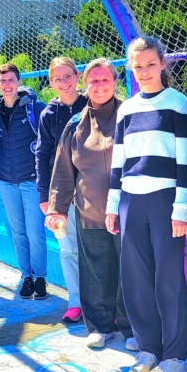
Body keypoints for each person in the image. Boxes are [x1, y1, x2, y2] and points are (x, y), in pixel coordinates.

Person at [105, 35, 187, 372]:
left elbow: (186, 160)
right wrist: (113, 206)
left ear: (163, 65)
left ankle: (174, 357)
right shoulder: (126, 109)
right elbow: (118, 162)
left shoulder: (178, 104)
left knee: (168, 279)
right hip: (130, 201)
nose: (143, 72)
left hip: (165, 200)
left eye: (150, 65)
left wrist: (181, 207)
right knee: (135, 279)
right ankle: (149, 349)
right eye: (137, 66)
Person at [47, 59, 135, 350]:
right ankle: (99, 326)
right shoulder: (75, 125)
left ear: (115, 81)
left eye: (105, 80)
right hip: (89, 213)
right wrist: (57, 208)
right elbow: (63, 171)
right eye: (93, 81)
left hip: (128, 215)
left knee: (129, 273)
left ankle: (131, 328)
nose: (99, 86)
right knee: (96, 273)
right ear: (85, 85)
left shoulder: (131, 115)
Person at [36, 56, 88, 322]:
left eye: (68, 76)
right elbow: (42, 155)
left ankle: (102, 303)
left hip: (92, 193)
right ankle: (76, 302)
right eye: (57, 78)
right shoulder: (48, 114)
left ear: (77, 76)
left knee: (97, 248)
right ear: (51, 83)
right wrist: (45, 197)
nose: (64, 82)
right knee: (68, 249)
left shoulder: (92, 105)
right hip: (61, 194)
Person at [0, 63, 49, 300]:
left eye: (11, 80)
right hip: (5, 180)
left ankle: (41, 278)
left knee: (35, 232)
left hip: (31, 180)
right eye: (3, 81)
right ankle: (26, 276)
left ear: (19, 81)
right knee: (17, 232)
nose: (7, 85)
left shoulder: (34, 108)